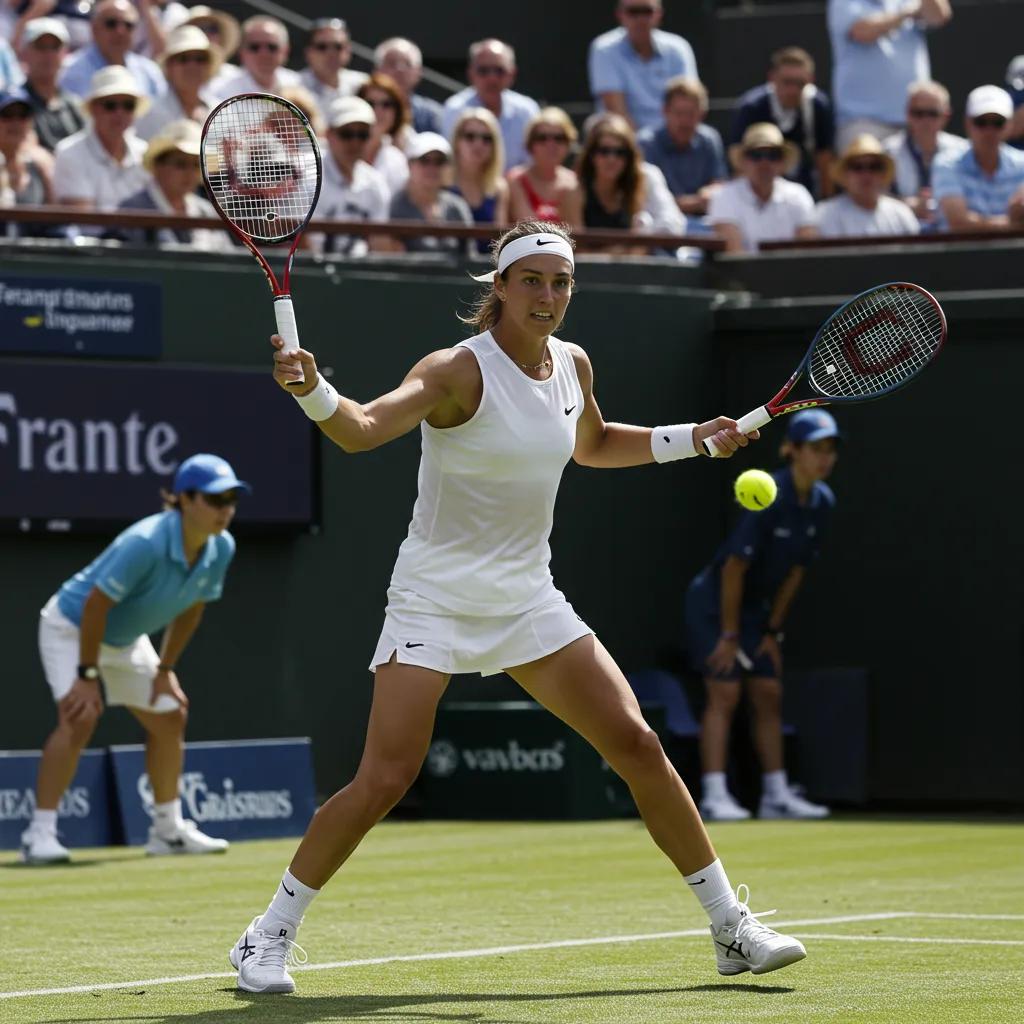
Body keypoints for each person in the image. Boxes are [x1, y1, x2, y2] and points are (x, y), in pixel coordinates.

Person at [226, 220, 808, 995]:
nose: (547, 296)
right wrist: (312, 390)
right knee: (385, 778)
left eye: (560, 282)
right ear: (497, 288)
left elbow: (594, 445)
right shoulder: (455, 371)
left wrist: (691, 439)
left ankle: (729, 927)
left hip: (528, 598)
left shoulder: (572, 365)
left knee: (635, 742)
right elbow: (362, 430)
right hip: (434, 598)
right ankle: (267, 935)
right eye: (530, 280)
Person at [20, 453, 247, 865]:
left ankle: (167, 830)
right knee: (80, 715)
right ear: (184, 499)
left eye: (231, 499)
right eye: (216, 499)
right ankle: (39, 834)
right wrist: (87, 675)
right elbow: (94, 606)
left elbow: (193, 608)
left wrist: (165, 670)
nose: (225, 509)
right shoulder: (144, 542)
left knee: (170, 713)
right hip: (71, 626)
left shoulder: (221, 547)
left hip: (122, 638)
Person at [685, 410, 840, 822]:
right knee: (725, 693)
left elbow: (796, 572)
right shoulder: (769, 493)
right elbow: (735, 567)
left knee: (769, 693)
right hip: (715, 605)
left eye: (830, 450)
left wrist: (773, 630)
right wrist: (730, 635)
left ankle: (776, 795)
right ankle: (714, 795)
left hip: (755, 614)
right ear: (791, 450)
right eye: (815, 449)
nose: (824, 458)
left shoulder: (822, 502)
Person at [827, 0, 952, 150]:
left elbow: (939, 16)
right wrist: (907, 13)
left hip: (915, 121)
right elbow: (863, 32)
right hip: (862, 122)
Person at [730, 47, 836, 200]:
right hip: (759, 194)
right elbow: (739, 162)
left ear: (811, 80)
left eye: (800, 83)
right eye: (787, 82)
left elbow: (824, 159)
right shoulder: (751, 107)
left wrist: (825, 203)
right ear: (772, 78)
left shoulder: (818, 106)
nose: (793, 90)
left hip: (805, 193)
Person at [52, 65, 149, 217]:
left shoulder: (145, 152)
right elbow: (84, 220)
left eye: (128, 105)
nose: (120, 113)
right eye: (110, 105)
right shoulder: (69, 154)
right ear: (93, 109)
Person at [708, 122, 818, 253]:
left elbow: (807, 253)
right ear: (743, 161)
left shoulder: (799, 195)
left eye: (773, 155)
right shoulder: (724, 196)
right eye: (756, 155)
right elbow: (734, 258)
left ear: (782, 162)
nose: (764, 163)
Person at [117, 118, 227, 250]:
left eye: (196, 165)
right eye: (181, 164)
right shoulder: (132, 210)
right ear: (158, 166)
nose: (190, 173)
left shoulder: (206, 211)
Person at [588, 0, 698, 132]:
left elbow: (689, 103)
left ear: (659, 14)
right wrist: (642, 149)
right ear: (620, 14)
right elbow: (617, 112)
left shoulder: (679, 48)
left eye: (647, 11)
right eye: (633, 12)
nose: (640, 19)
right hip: (626, 145)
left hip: (673, 140)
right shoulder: (604, 49)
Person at [933, 85, 1024, 232]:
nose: (989, 131)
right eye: (981, 122)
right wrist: (1011, 224)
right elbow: (959, 224)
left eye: (998, 123)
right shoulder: (947, 163)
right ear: (968, 123)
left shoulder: (1022, 164)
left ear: (1010, 124)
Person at [440, 38, 540, 172]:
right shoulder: (454, 109)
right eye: (483, 70)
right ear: (471, 73)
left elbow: (534, 164)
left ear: (512, 74)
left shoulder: (527, 110)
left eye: (499, 70)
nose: (492, 78)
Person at [638, 76, 726, 224]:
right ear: (665, 111)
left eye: (691, 114)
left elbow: (719, 184)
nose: (685, 121)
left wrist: (712, 192)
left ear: (702, 114)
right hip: (661, 228)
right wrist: (697, 202)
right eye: (679, 113)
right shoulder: (646, 143)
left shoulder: (710, 140)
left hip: (706, 225)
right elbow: (648, 202)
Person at [883, 80, 968, 227]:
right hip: (902, 233)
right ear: (907, 114)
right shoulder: (886, 152)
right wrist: (906, 206)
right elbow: (873, 200)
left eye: (932, 114)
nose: (925, 121)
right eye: (918, 113)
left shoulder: (962, 151)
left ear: (946, 116)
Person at [315, 95, 391, 256]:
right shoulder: (307, 177)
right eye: (346, 134)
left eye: (362, 135)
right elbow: (306, 247)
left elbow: (379, 245)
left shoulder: (375, 183)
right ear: (328, 134)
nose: (355, 142)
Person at [385, 131, 473, 255]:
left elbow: (470, 256)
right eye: (424, 160)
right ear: (410, 165)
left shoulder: (457, 206)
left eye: (439, 161)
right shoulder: (395, 206)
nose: (432, 168)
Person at [60, 0, 167, 101]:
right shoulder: (69, 72)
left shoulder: (149, 72)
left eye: (128, 25)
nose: (120, 31)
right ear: (94, 29)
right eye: (111, 24)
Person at [816, 134, 920, 237]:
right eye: (857, 167)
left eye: (874, 167)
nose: (866, 174)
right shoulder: (825, 215)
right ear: (845, 174)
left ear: (883, 174)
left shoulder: (901, 214)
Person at [565, 112, 647, 242]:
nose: (612, 159)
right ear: (591, 155)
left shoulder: (633, 189)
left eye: (620, 153)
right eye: (604, 151)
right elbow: (577, 248)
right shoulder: (574, 192)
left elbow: (638, 247)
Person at [135, 23, 220, 141]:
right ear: (169, 67)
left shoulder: (221, 111)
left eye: (200, 59)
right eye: (184, 59)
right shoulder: (152, 114)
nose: (192, 66)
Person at [18, 17, 85, 152]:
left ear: (65, 53)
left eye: (55, 47)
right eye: (40, 47)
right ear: (24, 53)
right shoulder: (11, 106)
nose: (48, 55)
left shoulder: (75, 105)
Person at [0, 87, 56, 237]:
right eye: (7, 115)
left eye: (23, 115)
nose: (16, 122)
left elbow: (54, 219)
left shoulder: (40, 164)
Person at [507, 107, 579, 224]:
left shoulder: (574, 182)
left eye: (559, 138)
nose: (551, 144)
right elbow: (529, 229)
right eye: (542, 138)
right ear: (530, 143)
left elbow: (577, 233)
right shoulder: (515, 179)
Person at [206, 14, 299, 105]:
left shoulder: (298, 83)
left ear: (286, 51)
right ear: (241, 52)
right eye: (254, 47)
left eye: (272, 47)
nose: (264, 54)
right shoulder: (219, 90)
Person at [449, 107, 509, 243]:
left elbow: (500, 241)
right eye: (470, 136)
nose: (478, 144)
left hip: (487, 263)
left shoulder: (499, 188)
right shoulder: (442, 181)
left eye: (487, 139)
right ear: (457, 141)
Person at [298, 17, 367, 124]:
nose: (331, 53)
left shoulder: (364, 84)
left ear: (348, 51)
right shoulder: (292, 85)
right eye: (322, 47)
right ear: (308, 52)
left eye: (338, 46)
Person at [357, 72, 413, 196]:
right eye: (370, 103)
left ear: (396, 112)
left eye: (386, 104)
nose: (378, 111)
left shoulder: (398, 160)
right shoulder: (338, 148)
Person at [375, 36, 442, 135]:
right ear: (377, 70)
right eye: (391, 63)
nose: (400, 69)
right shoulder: (362, 109)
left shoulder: (432, 115)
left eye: (407, 63)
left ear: (419, 72)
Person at [182, 5, 241, 101]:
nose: (206, 34)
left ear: (221, 36)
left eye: (212, 29)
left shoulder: (236, 76)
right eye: (199, 29)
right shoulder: (175, 73)